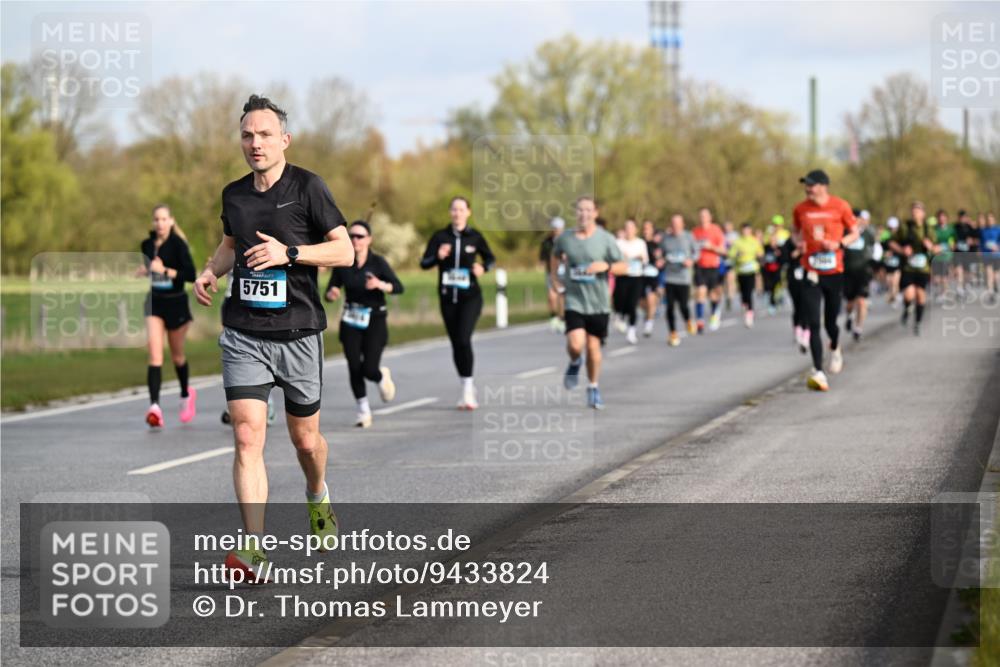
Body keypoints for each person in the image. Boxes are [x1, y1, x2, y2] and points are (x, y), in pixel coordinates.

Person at [193, 94, 353, 581]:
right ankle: (254, 550)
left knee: (306, 442)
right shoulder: (234, 195)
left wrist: (291, 253)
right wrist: (209, 270)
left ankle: (318, 495)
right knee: (246, 436)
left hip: (299, 333)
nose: (255, 143)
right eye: (247, 135)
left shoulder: (309, 188)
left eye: (264, 134)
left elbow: (344, 251)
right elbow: (230, 245)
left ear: (284, 139)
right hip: (244, 332)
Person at [420, 196, 496, 410]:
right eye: (454, 209)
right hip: (447, 298)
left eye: (461, 209)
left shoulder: (475, 237)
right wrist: (437, 255)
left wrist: (484, 268)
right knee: (456, 343)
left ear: (468, 212)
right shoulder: (440, 236)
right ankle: (466, 384)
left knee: (464, 338)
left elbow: (490, 258)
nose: (457, 213)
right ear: (450, 213)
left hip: (470, 297)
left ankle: (468, 389)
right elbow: (424, 263)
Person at [325, 221, 403, 428]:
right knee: (353, 366)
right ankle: (363, 410)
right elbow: (331, 288)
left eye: (360, 236)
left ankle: (380, 375)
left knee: (369, 368)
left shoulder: (378, 263)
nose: (355, 240)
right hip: (350, 319)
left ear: (369, 239)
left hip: (375, 320)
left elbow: (398, 287)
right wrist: (332, 293)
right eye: (352, 236)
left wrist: (380, 284)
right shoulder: (343, 262)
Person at [551, 197, 626, 409]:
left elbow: (624, 266)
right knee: (576, 344)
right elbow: (554, 257)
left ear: (595, 213)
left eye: (588, 210)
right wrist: (555, 279)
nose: (584, 214)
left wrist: (606, 266)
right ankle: (575, 362)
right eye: (580, 210)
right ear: (576, 213)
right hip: (574, 300)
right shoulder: (565, 239)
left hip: (599, 303)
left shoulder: (605, 239)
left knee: (593, 348)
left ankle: (593, 387)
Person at [792, 169, 859, 391]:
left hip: (834, 271)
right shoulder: (800, 209)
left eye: (811, 185)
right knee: (813, 322)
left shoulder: (840, 206)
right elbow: (795, 232)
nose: (807, 189)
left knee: (831, 322)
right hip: (811, 271)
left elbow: (855, 233)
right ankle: (818, 372)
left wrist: (838, 244)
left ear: (823, 186)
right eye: (806, 185)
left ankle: (836, 347)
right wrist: (798, 243)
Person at [138, 204, 197, 428]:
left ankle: (185, 394)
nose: (160, 223)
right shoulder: (146, 245)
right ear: (152, 222)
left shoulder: (178, 245)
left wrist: (164, 271)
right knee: (155, 356)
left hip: (176, 305)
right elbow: (150, 269)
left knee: (177, 357)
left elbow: (190, 275)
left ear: (171, 221)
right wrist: (145, 271)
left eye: (164, 219)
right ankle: (155, 407)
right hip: (154, 304)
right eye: (156, 219)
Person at [890, 201, 935, 335]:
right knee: (909, 294)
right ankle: (907, 308)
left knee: (921, 296)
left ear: (923, 213)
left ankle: (918, 323)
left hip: (924, 268)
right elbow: (891, 242)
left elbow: (938, 247)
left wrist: (931, 246)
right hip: (909, 267)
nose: (915, 213)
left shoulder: (929, 229)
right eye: (913, 210)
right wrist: (902, 250)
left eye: (918, 210)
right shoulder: (904, 227)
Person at [657, 214, 699, 346]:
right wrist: (660, 260)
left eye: (677, 223)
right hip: (670, 277)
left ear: (682, 224)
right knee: (669, 307)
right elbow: (661, 253)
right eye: (673, 223)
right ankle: (673, 333)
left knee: (683, 306)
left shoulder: (688, 236)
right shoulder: (665, 238)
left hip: (683, 277)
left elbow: (696, 252)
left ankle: (688, 320)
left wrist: (691, 260)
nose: (675, 226)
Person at [613, 218, 649, 344]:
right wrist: (623, 258)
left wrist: (638, 258)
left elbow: (645, 260)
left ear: (635, 229)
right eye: (626, 228)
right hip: (622, 276)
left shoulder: (640, 243)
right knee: (620, 301)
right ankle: (619, 316)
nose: (629, 230)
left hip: (636, 276)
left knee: (633, 304)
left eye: (631, 228)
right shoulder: (618, 243)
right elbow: (613, 259)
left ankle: (631, 331)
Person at [692, 207, 727, 333]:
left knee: (713, 294)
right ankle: (700, 321)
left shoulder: (716, 230)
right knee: (700, 292)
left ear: (710, 217)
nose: (703, 218)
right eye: (701, 216)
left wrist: (711, 247)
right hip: (700, 266)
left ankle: (714, 314)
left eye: (705, 216)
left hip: (713, 266)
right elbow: (691, 249)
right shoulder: (695, 232)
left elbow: (723, 250)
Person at [842, 209, 876, 341]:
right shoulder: (844, 232)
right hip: (848, 272)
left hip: (863, 272)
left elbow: (875, 249)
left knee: (862, 301)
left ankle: (858, 328)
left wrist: (874, 264)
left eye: (858, 218)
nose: (857, 221)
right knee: (850, 302)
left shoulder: (868, 234)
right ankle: (849, 316)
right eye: (854, 218)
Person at [728, 223, 765, 328]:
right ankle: (745, 306)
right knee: (743, 293)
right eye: (744, 230)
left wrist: (760, 258)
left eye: (747, 230)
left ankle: (750, 313)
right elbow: (731, 254)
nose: (745, 232)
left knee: (749, 292)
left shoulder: (754, 241)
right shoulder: (737, 242)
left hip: (752, 270)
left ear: (750, 230)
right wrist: (737, 255)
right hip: (741, 270)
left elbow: (760, 253)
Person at [540, 217, 566, 333]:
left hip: (564, 271)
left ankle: (562, 318)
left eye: (559, 229)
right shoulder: (546, 242)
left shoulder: (567, 240)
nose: (557, 231)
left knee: (562, 296)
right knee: (552, 296)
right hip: (551, 272)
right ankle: (553, 317)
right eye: (555, 228)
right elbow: (543, 257)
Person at [761, 216, 789, 315]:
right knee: (770, 283)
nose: (776, 226)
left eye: (778, 224)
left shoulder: (785, 234)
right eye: (775, 224)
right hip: (770, 261)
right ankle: (774, 297)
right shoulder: (768, 233)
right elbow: (764, 245)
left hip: (781, 260)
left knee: (779, 279)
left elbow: (787, 247)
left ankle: (779, 294)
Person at [640, 220, 662, 337]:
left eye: (648, 228)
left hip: (653, 275)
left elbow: (661, 260)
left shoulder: (656, 245)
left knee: (650, 298)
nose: (646, 231)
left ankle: (649, 323)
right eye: (644, 228)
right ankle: (648, 312)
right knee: (641, 302)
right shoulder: (639, 243)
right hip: (640, 275)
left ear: (652, 230)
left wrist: (660, 260)